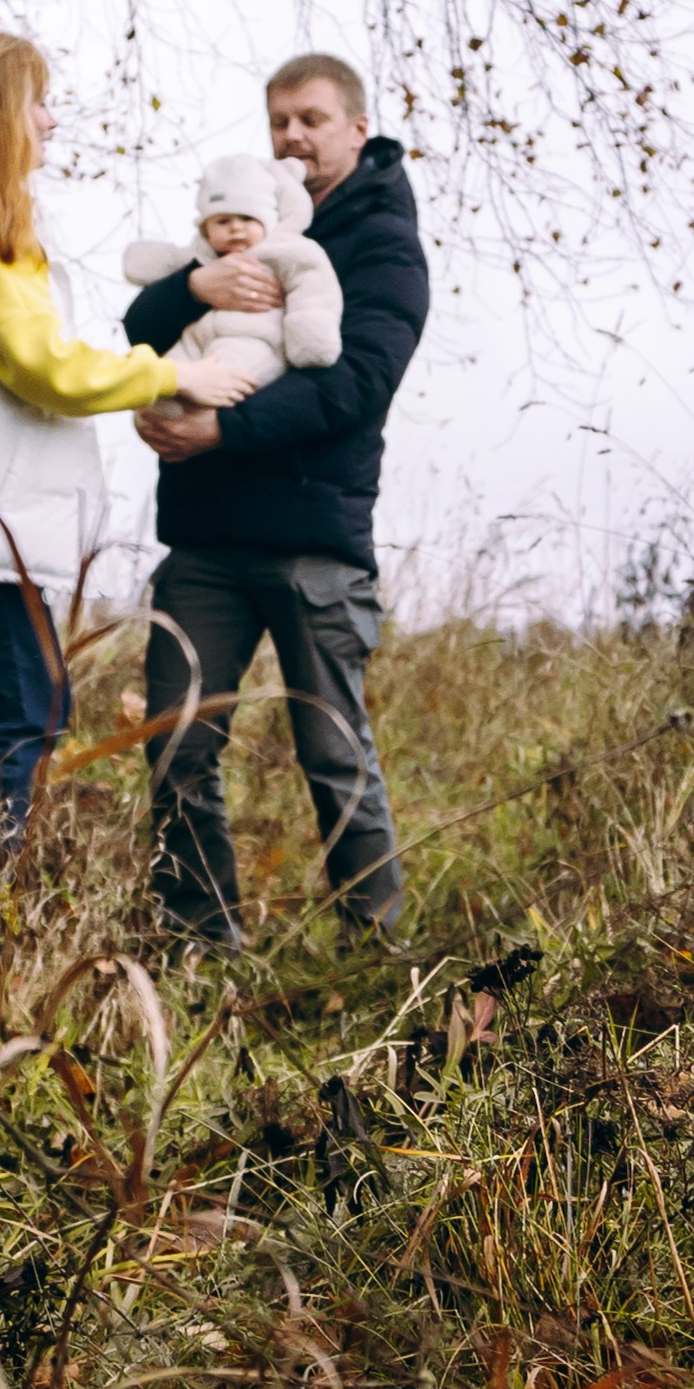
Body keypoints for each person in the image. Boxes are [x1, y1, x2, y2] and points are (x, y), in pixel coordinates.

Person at [0, 29, 257, 846]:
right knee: (21, 717)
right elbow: (50, 371)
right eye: (38, 101)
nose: (51, 119)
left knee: (27, 711)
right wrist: (175, 376)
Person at [123, 52, 429, 946]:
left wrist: (221, 430)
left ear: (355, 130)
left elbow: (359, 381)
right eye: (278, 122)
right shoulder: (226, 226)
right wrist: (191, 288)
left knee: (333, 752)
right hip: (204, 538)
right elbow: (141, 327)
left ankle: (374, 954)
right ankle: (198, 938)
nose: (291, 136)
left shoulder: (380, 240)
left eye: (311, 119)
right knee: (175, 744)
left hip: (313, 542)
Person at [120, 150, 343, 393]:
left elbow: (312, 285)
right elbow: (169, 261)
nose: (236, 228)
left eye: (247, 218)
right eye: (223, 221)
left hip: (255, 338)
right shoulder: (202, 258)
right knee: (163, 377)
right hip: (198, 337)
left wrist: (310, 332)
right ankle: (162, 402)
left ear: (267, 220)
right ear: (206, 230)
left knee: (223, 374)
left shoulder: (285, 251)